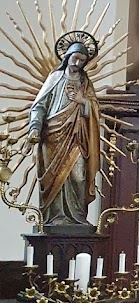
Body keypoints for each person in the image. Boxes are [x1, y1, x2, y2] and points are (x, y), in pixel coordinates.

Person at [27, 32, 102, 230]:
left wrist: (82, 101)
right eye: (75, 57)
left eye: (82, 60)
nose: (77, 62)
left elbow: (94, 110)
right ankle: (54, 218)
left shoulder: (86, 83)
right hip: (52, 136)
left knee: (78, 176)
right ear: (67, 56)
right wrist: (35, 128)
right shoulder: (55, 78)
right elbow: (39, 106)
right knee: (53, 178)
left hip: (77, 137)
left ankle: (76, 217)